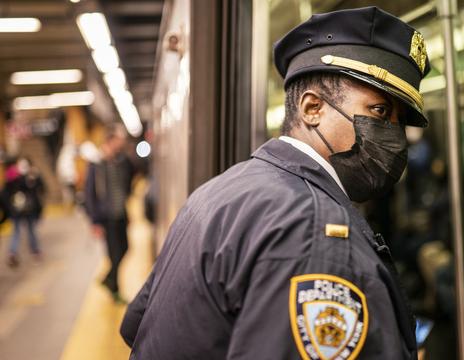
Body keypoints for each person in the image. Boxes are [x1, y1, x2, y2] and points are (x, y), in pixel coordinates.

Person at [121, 6, 432, 359]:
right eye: (380, 112)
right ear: (312, 108)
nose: (394, 134)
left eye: (398, 120)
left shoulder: (222, 190)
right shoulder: (314, 233)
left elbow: (138, 325)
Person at [84, 124, 133, 303]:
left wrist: (127, 214)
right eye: (118, 141)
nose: (121, 144)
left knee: (126, 248)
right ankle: (115, 290)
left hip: (120, 213)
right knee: (114, 253)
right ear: (109, 141)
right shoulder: (96, 164)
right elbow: (90, 194)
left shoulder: (119, 161)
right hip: (107, 218)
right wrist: (95, 222)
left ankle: (108, 279)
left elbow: (123, 187)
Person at [5, 157, 44, 268]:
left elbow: (40, 188)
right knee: (21, 231)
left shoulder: (30, 176)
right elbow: (6, 193)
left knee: (26, 231)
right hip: (18, 210)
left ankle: (32, 251)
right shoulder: (14, 176)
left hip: (26, 209)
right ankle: (19, 252)